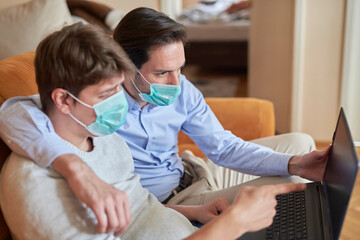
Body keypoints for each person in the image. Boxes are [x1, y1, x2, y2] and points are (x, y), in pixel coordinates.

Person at [0, 7, 330, 236]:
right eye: (162, 72)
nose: (177, 83)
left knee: (299, 146)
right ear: (127, 66)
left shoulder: (177, 90)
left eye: (180, 69)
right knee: (293, 193)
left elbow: (222, 146)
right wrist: (75, 168)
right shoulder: (94, 110)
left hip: (191, 173)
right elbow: (16, 112)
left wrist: (297, 163)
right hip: (168, 201)